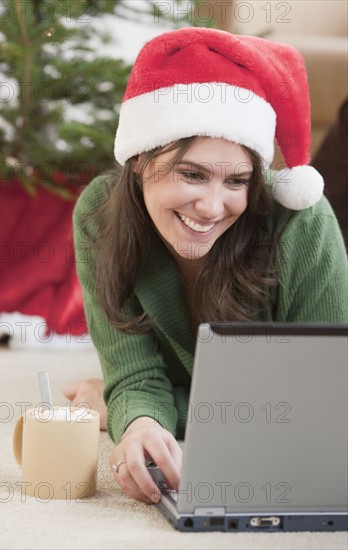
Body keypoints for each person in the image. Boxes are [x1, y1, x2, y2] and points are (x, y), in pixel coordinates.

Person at [63, 27, 348, 504]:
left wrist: (125, 405)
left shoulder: (301, 220)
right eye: (191, 174)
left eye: (237, 181)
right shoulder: (99, 216)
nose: (213, 208)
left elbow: (322, 399)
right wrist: (140, 421)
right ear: (139, 159)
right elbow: (136, 374)